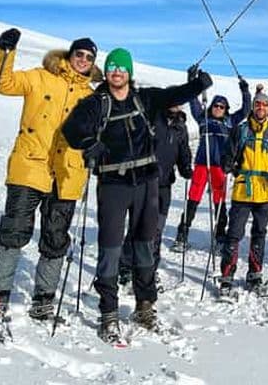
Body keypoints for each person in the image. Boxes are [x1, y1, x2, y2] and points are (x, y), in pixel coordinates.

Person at [62, 50, 211, 343]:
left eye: (122, 67)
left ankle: (144, 306)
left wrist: (197, 85)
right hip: (113, 184)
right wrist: (89, 143)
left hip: (146, 182)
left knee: (145, 245)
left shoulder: (145, 98)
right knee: (111, 249)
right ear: (106, 72)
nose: (117, 72)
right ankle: (109, 314)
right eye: (112, 67)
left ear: (129, 72)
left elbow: (173, 95)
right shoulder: (96, 103)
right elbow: (72, 129)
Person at [0, 30, 101, 340]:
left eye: (89, 57)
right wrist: (5, 51)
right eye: (79, 54)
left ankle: (43, 302)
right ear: (70, 54)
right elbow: (1, 83)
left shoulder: (92, 97)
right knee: (13, 232)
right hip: (30, 167)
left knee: (55, 239)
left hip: (67, 175)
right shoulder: (40, 77)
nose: (83, 60)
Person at [218, 90, 268, 297]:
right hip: (243, 190)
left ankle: (255, 274)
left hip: (265, 191)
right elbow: (228, 154)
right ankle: (227, 276)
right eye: (258, 104)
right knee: (234, 234)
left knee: (259, 233)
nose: (261, 108)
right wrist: (228, 164)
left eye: (264, 105)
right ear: (253, 107)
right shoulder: (241, 130)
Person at [118, 105, 193, 289]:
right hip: (144, 182)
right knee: (138, 226)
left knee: (157, 229)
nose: (175, 104)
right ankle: (126, 267)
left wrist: (185, 167)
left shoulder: (181, 126)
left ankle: (149, 268)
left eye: (179, 101)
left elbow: (183, 150)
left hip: (164, 186)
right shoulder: (152, 118)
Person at [172, 78, 250, 252]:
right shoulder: (203, 118)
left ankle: (220, 236)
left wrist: (245, 91)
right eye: (216, 105)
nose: (218, 109)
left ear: (226, 109)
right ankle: (182, 234)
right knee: (193, 199)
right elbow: (193, 100)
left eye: (222, 107)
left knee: (219, 202)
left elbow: (245, 110)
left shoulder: (230, 122)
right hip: (202, 164)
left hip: (219, 167)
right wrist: (192, 81)